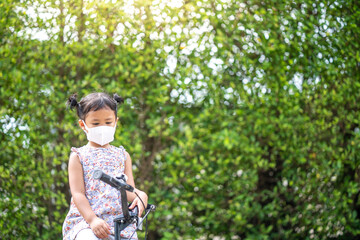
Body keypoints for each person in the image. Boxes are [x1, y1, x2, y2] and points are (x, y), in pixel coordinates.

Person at [62, 92, 148, 240]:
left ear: (116, 122)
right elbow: (78, 194)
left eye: (108, 122)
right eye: (95, 123)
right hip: (86, 223)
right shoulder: (78, 156)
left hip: (119, 224)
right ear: (83, 124)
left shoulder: (122, 156)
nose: (103, 127)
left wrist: (141, 195)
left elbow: (128, 191)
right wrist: (92, 220)